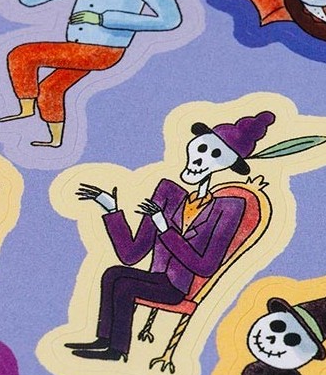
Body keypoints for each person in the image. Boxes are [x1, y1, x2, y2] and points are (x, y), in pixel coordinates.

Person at [70, 112, 276, 360]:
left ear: (228, 165)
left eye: (216, 155)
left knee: (125, 285)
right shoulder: (168, 194)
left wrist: (165, 229)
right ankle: (103, 340)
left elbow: (206, 266)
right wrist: (112, 210)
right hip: (156, 278)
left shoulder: (228, 208)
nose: (201, 159)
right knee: (113, 273)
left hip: (176, 288)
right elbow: (131, 255)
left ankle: (117, 351)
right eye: (202, 148)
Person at [0, 0, 181, 147]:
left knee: (23, 55)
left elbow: (170, 19)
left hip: (103, 51)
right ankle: (54, 139)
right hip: (77, 46)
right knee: (51, 87)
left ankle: (26, 108)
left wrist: (105, 19)